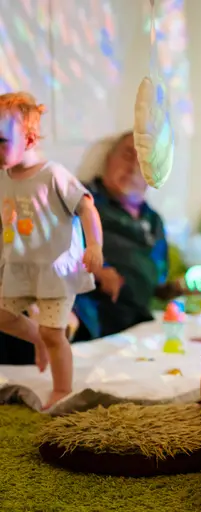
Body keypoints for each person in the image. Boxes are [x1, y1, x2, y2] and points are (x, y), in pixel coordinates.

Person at [0, 92, 104, 409]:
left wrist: (94, 244)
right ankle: (37, 340)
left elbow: (86, 207)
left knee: (53, 332)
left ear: (30, 139)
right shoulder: (3, 177)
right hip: (20, 267)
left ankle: (61, 388)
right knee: (3, 316)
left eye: (1, 140)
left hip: (57, 270)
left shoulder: (53, 174)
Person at [71, 131, 201, 341]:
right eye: (127, 155)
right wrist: (99, 270)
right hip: (87, 320)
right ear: (109, 159)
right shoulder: (80, 200)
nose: (134, 167)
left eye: (144, 162)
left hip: (135, 325)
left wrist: (179, 287)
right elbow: (50, 247)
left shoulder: (154, 221)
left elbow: (153, 287)